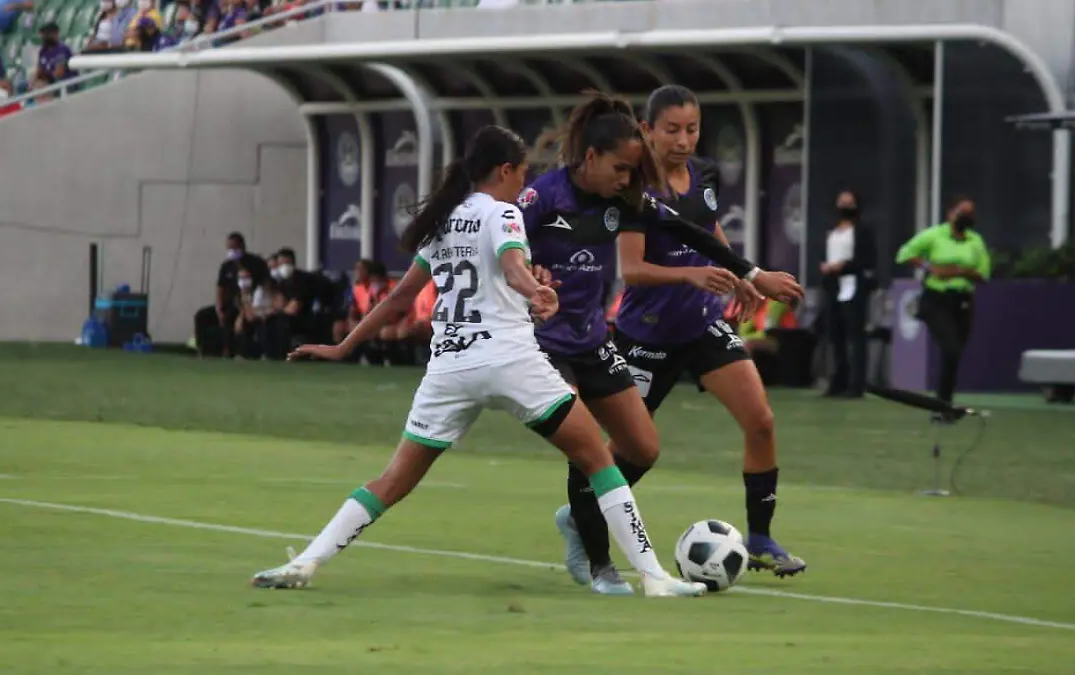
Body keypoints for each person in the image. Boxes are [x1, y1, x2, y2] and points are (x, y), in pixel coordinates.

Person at [249, 125, 707, 598]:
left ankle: (307, 561)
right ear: (505, 170)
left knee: (391, 481)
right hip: (509, 360)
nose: (524, 185)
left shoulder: (444, 220)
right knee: (598, 459)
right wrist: (538, 291)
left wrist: (343, 346)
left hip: (449, 369)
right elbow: (512, 267)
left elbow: (400, 299)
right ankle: (653, 577)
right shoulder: (503, 213)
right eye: (522, 174)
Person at [517, 90, 803, 595]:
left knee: (753, 421)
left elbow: (704, 233)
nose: (683, 140)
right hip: (640, 333)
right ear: (646, 131)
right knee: (609, 450)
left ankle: (759, 535)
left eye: (692, 129)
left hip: (692, 326)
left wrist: (746, 276)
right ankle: (591, 538)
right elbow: (629, 268)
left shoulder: (675, 182)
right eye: (672, 129)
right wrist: (525, 271)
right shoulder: (595, 191)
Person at [895, 197, 991, 406]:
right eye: (961, 211)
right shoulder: (934, 235)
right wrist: (931, 267)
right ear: (950, 213)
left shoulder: (975, 241)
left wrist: (961, 271)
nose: (966, 216)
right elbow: (904, 254)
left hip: (963, 301)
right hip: (937, 300)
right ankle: (943, 402)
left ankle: (945, 397)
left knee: (956, 351)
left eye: (970, 213)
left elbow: (984, 274)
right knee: (950, 348)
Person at [820, 189, 877, 398]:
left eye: (849, 203)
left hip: (854, 287)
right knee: (836, 337)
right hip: (834, 287)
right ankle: (839, 380)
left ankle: (857, 383)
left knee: (856, 336)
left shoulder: (862, 231)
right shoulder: (833, 232)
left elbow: (866, 261)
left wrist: (842, 266)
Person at [193, 232, 268, 358]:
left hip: (248, 305)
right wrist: (218, 308)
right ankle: (203, 349)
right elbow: (220, 288)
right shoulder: (227, 266)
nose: (231, 251)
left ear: (242, 246)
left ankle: (230, 351)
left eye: (234, 247)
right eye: (229, 248)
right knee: (202, 315)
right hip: (229, 303)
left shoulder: (255, 263)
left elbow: (261, 288)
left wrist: (244, 310)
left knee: (230, 318)